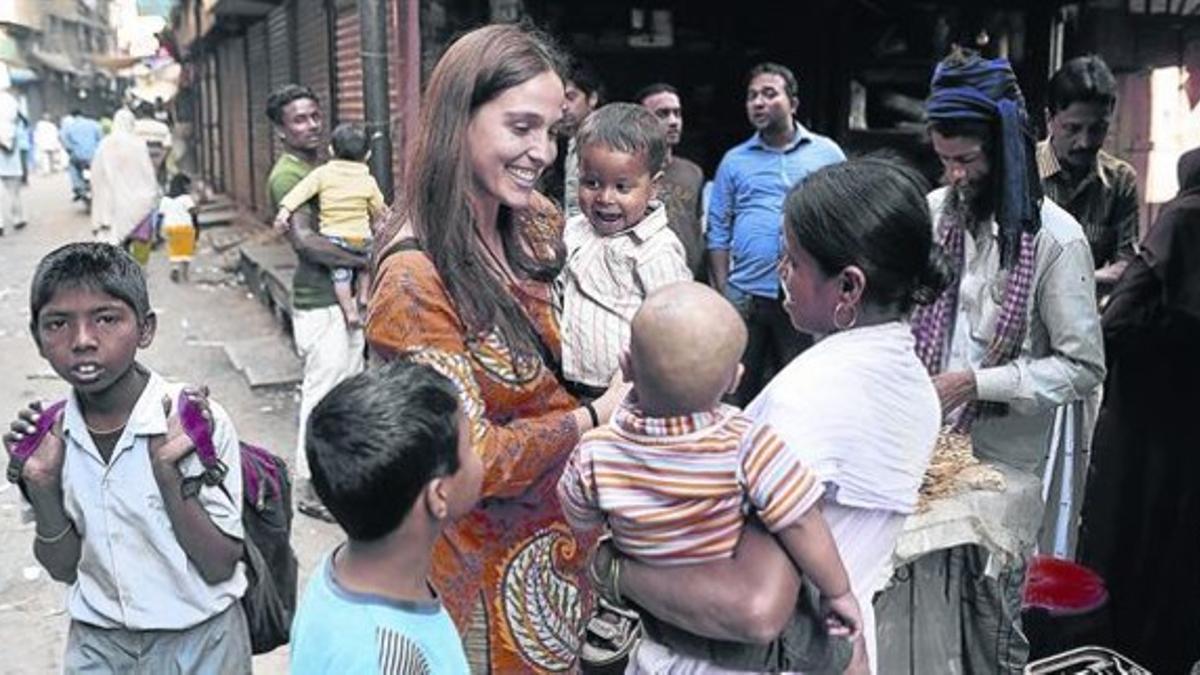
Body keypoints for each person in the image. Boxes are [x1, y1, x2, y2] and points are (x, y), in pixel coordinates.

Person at [588, 157, 950, 674]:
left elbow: (754, 607)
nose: (779, 272)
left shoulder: (812, 396)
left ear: (848, 287)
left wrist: (613, 569)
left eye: (792, 260)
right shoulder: (914, 385)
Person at [366, 24, 629, 673]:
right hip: (479, 578)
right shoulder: (413, 279)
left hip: (569, 552)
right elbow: (467, 463)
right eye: (520, 127)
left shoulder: (537, 223)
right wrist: (594, 417)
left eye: (553, 130)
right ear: (458, 119)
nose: (542, 150)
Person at [908, 49, 1105, 670]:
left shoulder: (1056, 239)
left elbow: (1082, 368)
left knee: (992, 623)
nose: (956, 176)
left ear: (1008, 150)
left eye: (967, 160)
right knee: (927, 619)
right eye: (944, 161)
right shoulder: (932, 214)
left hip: (1006, 468)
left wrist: (973, 382)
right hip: (925, 458)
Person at [559, 281, 864, 673]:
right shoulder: (749, 446)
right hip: (741, 640)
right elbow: (802, 519)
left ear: (626, 365)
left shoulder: (595, 452)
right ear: (736, 379)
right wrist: (838, 592)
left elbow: (579, 515)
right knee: (830, 647)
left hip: (659, 620)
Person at [3, 242, 250, 673]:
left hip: (201, 641)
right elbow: (63, 569)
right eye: (58, 323)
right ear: (38, 339)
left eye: (106, 319)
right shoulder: (47, 438)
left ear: (145, 329)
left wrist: (169, 478)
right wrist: (41, 487)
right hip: (98, 646)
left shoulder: (190, 424)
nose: (82, 341)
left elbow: (219, 565)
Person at [1078, 146, 1200, 674]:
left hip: (1144, 428)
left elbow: (1115, 328)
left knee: (1125, 549)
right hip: (1184, 433)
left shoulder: (1180, 223)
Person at [290, 359, 482, 674]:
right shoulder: (387, 660)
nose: (478, 458)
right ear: (439, 496)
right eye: (470, 445)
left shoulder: (338, 574)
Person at [707, 62, 846, 405]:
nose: (758, 102)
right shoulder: (734, 161)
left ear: (793, 104)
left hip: (806, 295)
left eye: (769, 94)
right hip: (746, 296)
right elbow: (718, 230)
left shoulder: (826, 153)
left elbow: (847, 220)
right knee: (735, 393)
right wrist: (727, 290)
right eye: (752, 96)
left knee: (800, 393)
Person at [264, 83, 366, 523]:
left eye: (314, 115)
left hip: (341, 298)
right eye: (298, 120)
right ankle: (310, 487)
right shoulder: (287, 176)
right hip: (320, 299)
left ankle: (340, 479)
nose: (310, 125)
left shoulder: (326, 165)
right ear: (281, 131)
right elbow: (305, 242)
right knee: (322, 393)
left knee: (347, 390)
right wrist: (367, 256)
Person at [558, 102, 691, 398]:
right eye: (591, 183)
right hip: (565, 389)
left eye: (622, 187)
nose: (605, 198)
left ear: (653, 188)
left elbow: (676, 326)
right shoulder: (573, 230)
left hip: (630, 394)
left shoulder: (657, 249)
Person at [1039, 55, 1139, 295]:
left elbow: (1126, 267)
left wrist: (1065, 283)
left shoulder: (1120, 181)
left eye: (1097, 129)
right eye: (1072, 129)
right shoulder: (1021, 173)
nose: (1085, 142)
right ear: (1049, 120)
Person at [274, 122, 387, 329]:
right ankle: (364, 296)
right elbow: (379, 208)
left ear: (331, 150)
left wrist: (284, 211)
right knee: (367, 265)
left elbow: (300, 192)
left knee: (341, 275)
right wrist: (384, 221)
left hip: (335, 238)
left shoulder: (322, 174)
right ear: (368, 154)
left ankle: (350, 312)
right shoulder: (368, 180)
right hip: (361, 237)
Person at [637, 82, 707, 280]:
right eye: (663, 114)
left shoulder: (693, 172)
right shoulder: (627, 173)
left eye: (677, 113)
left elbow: (698, 228)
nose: (674, 121)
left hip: (687, 279)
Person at [89, 109, 159, 252]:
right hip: (138, 200)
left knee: (114, 238)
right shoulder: (138, 144)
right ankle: (137, 268)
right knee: (138, 238)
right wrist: (152, 191)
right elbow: (147, 172)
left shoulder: (105, 144)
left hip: (112, 200)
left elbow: (96, 173)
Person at [547, 61, 603, 219]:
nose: (563, 106)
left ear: (592, 98)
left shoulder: (607, 140)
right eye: (559, 98)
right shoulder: (567, 142)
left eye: (571, 97)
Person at [159, 173, 198, 283]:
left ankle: (174, 268)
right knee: (186, 251)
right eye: (187, 185)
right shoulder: (186, 198)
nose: (188, 187)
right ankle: (185, 274)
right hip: (185, 227)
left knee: (174, 250)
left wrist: (158, 231)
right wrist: (197, 208)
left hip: (170, 227)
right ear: (182, 185)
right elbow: (193, 212)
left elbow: (160, 215)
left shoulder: (165, 199)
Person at [59, 110, 103, 202]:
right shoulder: (94, 124)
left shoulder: (69, 127)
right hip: (94, 156)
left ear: (73, 117)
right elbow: (101, 139)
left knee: (72, 166)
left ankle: (78, 187)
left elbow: (65, 141)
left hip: (78, 156)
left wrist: (71, 150)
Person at [0, 83, 26, 235]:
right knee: (14, 192)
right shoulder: (11, 103)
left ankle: (1, 223)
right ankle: (18, 219)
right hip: (12, 162)